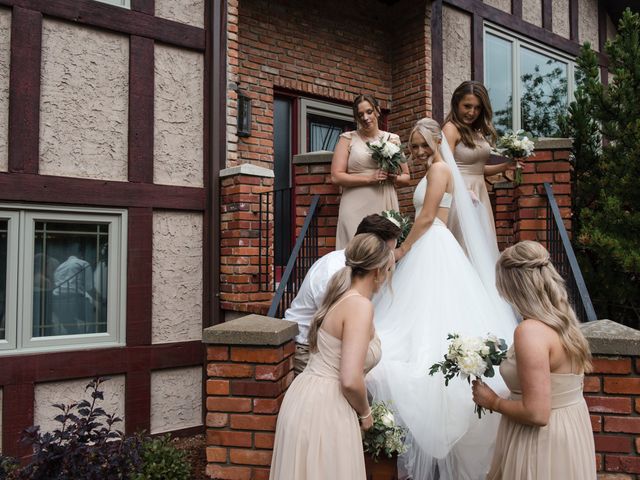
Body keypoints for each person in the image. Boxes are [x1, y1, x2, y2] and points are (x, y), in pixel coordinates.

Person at [366, 118, 518, 480]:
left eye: (422, 144)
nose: (417, 152)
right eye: (412, 147)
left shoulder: (438, 171)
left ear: (438, 140)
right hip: (435, 243)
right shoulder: (441, 169)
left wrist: (401, 250)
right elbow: (441, 218)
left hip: (429, 244)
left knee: (428, 315)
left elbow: (429, 217)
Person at [269, 233, 394, 480]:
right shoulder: (359, 306)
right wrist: (366, 414)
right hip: (327, 406)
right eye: (389, 269)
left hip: (304, 396)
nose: (389, 276)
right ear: (378, 271)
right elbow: (349, 379)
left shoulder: (340, 296)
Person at [472, 241, 596, 480]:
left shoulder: (530, 331)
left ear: (513, 287)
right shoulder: (566, 323)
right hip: (571, 429)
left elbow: (537, 413)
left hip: (541, 440)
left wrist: (493, 401)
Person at [285, 214, 401, 374]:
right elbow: (335, 330)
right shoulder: (332, 270)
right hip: (307, 350)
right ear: (370, 245)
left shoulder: (358, 270)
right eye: (388, 252)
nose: (390, 260)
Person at [332, 93, 410, 249]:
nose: (365, 118)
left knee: (383, 250)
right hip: (354, 205)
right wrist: (370, 178)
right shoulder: (347, 138)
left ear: (377, 111)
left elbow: (406, 177)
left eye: (369, 112)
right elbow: (336, 177)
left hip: (383, 202)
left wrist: (393, 178)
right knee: (354, 250)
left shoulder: (393, 139)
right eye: (360, 114)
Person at [443, 81, 514, 252]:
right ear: (456, 103)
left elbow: (477, 170)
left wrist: (506, 166)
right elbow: (444, 168)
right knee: (466, 246)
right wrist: (461, 191)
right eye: (467, 106)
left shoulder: (477, 132)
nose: (472, 112)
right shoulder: (450, 129)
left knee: (481, 247)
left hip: (479, 192)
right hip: (460, 194)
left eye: (477, 108)